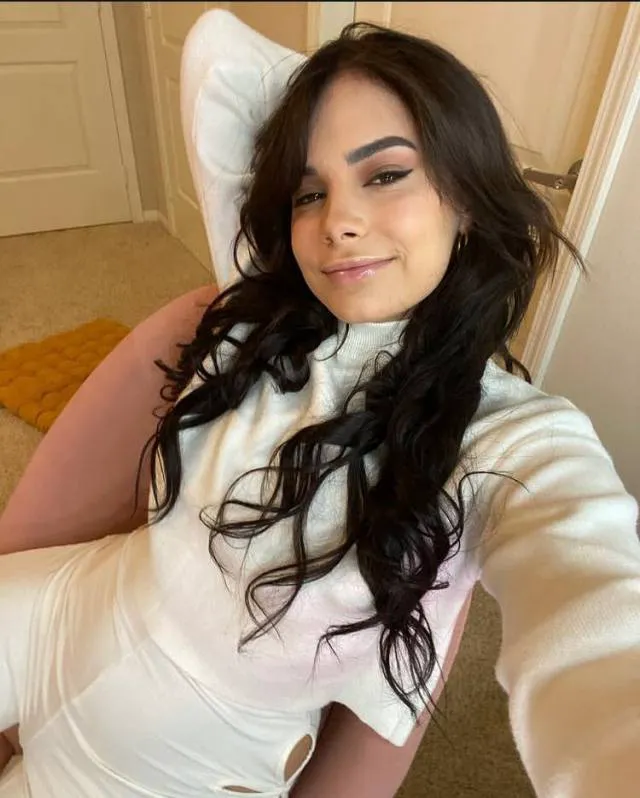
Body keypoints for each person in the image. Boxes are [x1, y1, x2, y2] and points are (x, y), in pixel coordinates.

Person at [1, 9, 639, 797]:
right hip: (61, 607)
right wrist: (334, 83)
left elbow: (593, 607)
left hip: (176, 760)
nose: (337, 222)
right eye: (310, 192)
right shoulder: (254, 321)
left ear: (468, 197)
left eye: (386, 174)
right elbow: (217, 57)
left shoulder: (506, 434)